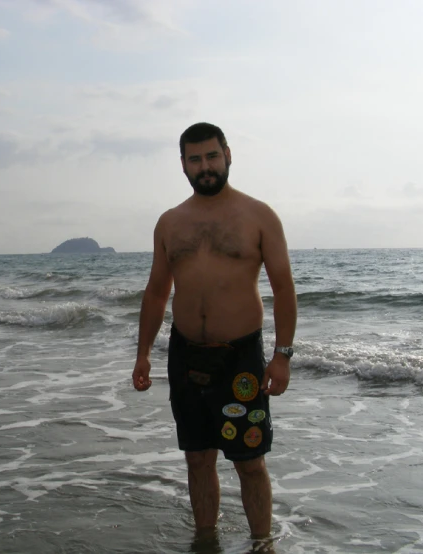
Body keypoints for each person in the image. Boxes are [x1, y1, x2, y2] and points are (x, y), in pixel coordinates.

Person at [132, 122, 297, 541]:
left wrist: (282, 355)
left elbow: (283, 288)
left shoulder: (258, 216)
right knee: (197, 458)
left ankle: (262, 545)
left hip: (240, 358)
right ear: (183, 165)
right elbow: (155, 293)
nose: (205, 166)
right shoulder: (169, 223)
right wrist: (143, 353)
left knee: (250, 461)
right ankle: (206, 541)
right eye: (195, 159)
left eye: (211, 156)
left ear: (227, 154)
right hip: (186, 355)